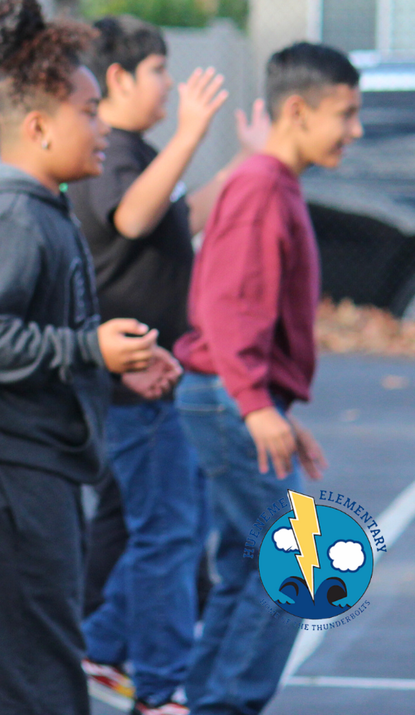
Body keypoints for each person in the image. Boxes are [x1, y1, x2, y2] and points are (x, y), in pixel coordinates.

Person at [0, 0, 181, 715]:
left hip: (28, 466)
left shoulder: (37, 202)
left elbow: (31, 331)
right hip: (2, 469)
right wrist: (85, 347)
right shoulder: (7, 212)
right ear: (36, 125)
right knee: (39, 680)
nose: (103, 125)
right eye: (89, 110)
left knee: (39, 672)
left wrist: (115, 356)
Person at [67, 15, 269, 714]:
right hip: (133, 388)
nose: (170, 83)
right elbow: (131, 216)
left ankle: (99, 647)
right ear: (118, 77)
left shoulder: (136, 154)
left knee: (165, 527)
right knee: (169, 534)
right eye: (158, 69)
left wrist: (248, 162)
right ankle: (156, 686)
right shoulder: (112, 154)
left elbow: (177, 215)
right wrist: (189, 133)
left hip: (155, 382)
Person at [173, 42, 362, 715]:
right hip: (229, 397)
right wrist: (253, 403)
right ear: (295, 109)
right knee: (296, 572)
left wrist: (272, 403)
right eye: (345, 113)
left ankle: (207, 701)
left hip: (236, 396)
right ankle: (222, 705)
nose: (355, 129)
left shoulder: (271, 183)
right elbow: (227, 307)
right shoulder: (259, 185)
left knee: (248, 565)